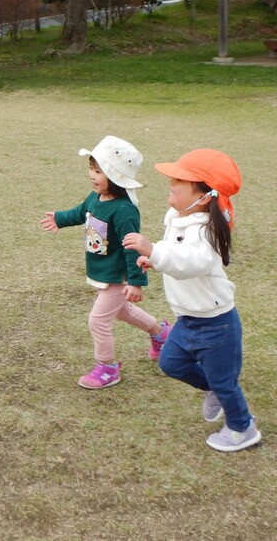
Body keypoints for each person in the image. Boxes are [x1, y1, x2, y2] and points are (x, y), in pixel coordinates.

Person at [122, 149, 261, 452]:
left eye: (181, 179)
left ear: (205, 194)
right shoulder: (177, 218)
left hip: (216, 324)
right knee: (171, 362)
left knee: (226, 382)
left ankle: (242, 427)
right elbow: (176, 255)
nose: (171, 182)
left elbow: (193, 262)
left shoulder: (208, 230)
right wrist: (155, 259)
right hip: (187, 318)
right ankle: (210, 387)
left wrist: (154, 251)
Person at [40, 136, 169, 389]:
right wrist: (59, 218)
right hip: (103, 271)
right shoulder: (96, 197)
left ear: (115, 175)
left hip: (117, 275)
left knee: (98, 320)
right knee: (122, 311)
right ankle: (162, 334)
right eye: (91, 168)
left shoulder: (124, 210)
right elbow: (80, 212)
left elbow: (133, 248)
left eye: (98, 171)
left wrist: (136, 282)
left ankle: (107, 367)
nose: (92, 175)